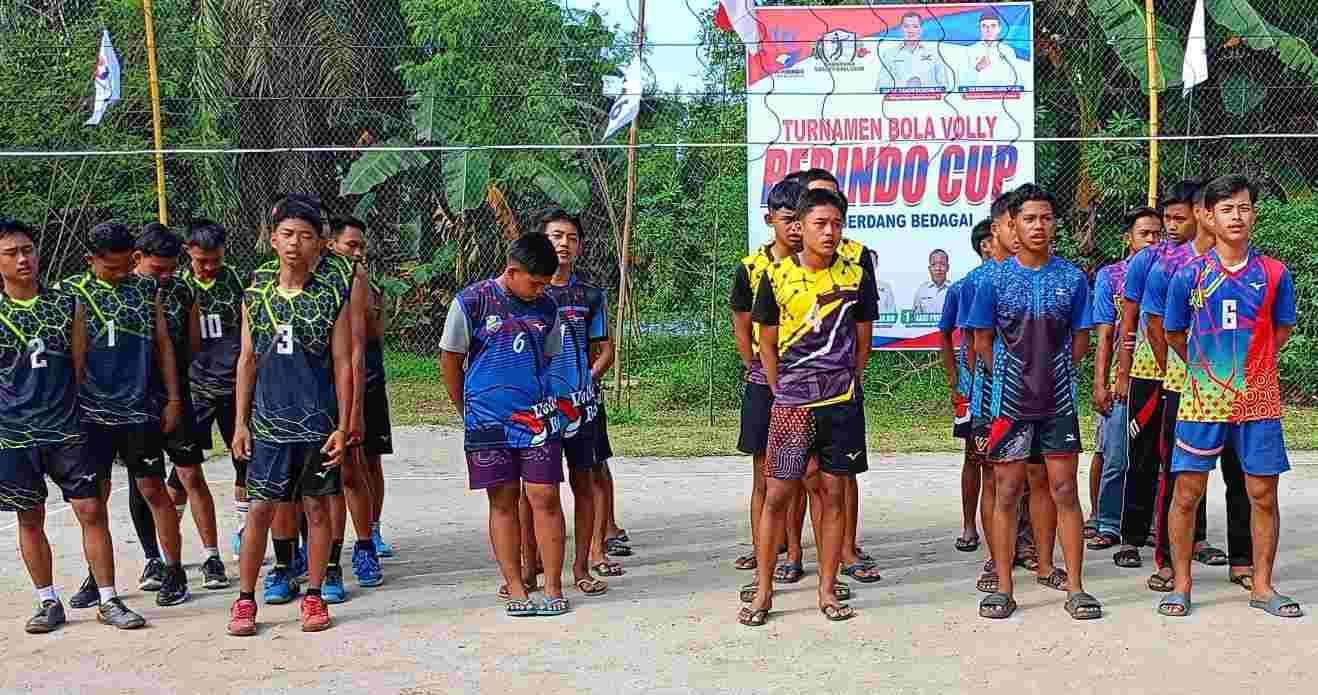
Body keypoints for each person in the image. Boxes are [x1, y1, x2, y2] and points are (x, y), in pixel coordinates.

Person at [1160, 175, 1300, 618]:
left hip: (1258, 398)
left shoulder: (1274, 273)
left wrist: (1250, 367)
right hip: (1202, 398)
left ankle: (1262, 586)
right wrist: (1208, 368)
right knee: (1187, 491)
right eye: (1226, 209)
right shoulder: (1189, 274)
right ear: (1207, 216)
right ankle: (1181, 585)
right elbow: (1173, 333)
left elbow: (1282, 330)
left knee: (1262, 492)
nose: (1236, 217)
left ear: (1253, 214)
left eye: (1243, 208)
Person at [0, 219, 145, 632]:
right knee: (30, 517)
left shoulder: (67, 303)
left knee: (91, 509)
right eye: (11, 253)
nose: (23, 258)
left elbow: (79, 365)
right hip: (14, 433)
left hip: (65, 426)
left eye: (27, 249)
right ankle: (47, 602)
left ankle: (108, 599)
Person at [742, 188, 877, 625]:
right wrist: (785, 390)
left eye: (837, 224)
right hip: (792, 406)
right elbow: (765, 342)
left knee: (832, 493)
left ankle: (827, 589)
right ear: (799, 227)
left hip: (841, 404)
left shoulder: (856, 273)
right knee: (778, 493)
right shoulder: (776, 276)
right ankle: (764, 591)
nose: (830, 232)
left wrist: (850, 382)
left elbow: (862, 337)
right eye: (821, 223)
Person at [967, 184, 1101, 620]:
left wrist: (1054, 371)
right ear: (1012, 225)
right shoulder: (993, 280)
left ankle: (1076, 588)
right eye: (1029, 219)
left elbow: (1081, 339)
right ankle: (1004, 588)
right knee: (1007, 490)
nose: (1038, 226)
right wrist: (1012, 376)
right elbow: (982, 342)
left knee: (1064, 489)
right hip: (1008, 405)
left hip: (1058, 401)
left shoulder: (1073, 279)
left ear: (1054, 223)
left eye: (1045, 218)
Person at [226, 195, 353, 635]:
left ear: (320, 243)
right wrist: (240, 422)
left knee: (318, 509)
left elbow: (342, 362)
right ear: (273, 240)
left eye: (304, 235)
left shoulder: (330, 295)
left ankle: (314, 595)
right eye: (286, 235)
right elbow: (246, 360)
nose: (295, 243)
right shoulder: (255, 292)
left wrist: (343, 424)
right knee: (259, 510)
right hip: (267, 424)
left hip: (316, 425)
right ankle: (245, 601)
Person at [439, 232, 569, 618]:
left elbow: (550, 359)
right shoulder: (471, 302)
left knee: (545, 496)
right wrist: (466, 409)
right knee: (503, 500)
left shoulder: (548, 308)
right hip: (486, 421)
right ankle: (515, 587)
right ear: (512, 271)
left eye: (546, 283)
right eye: (535, 282)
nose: (541, 290)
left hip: (536, 418)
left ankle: (553, 586)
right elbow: (450, 361)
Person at [61, 222, 188, 610]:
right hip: (92, 415)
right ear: (90, 260)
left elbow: (164, 345)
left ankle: (174, 570)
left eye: (123, 266)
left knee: (152, 490)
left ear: (134, 258)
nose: (118, 274)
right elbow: (73, 358)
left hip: (139, 410)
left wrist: (173, 399)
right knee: (93, 499)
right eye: (109, 267)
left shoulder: (146, 290)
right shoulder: (74, 293)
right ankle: (97, 576)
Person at [1144, 182, 1253, 593]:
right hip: (1185, 387)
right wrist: (1181, 370)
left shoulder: (1249, 266)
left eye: (1181, 216)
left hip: (1241, 391)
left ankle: (1242, 560)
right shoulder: (1170, 267)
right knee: (1180, 479)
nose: (1175, 225)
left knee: (1241, 474)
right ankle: (1172, 562)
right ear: (1208, 214)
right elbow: (1158, 325)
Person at [784, 168, 881, 585]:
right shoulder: (779, 264)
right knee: (793, 475)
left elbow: (863, 334)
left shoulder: (857, 259)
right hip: (793, 388)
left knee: (841, 477)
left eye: (833, 205)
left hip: (841, 388)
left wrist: (849, 377)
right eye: (816, 204)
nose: (827, 224)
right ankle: (790, 552)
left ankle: (846, 549)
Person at [1114, 180, 1211, 571]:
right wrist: (1122, 372)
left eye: (1178, 218)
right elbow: (1133, 320)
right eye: (1166, 218)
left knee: (1189, 461)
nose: (1170, 226)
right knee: (1142, 456)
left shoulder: (1211, 259)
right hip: (1148, 372)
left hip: (1191, 376)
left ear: (1200, 216)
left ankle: (1194, 538)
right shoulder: (1148, 260)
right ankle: (1132, 537)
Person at [128, 224, 228, 591]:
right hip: (133, 403)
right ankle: (153, 559)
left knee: (190, 475)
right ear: (137, 258)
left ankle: (211, 555)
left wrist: (175, 388)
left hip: (177, 396)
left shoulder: (182, 290)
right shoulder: (124, 293)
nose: (168, 275)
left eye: (172, 267)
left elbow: (195, 342)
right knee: (143, 483)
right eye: (160, 269)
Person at [959, 191, 1040, 594]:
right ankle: (997, 556)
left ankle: (1034, 550)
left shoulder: (1050, 275)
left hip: (1042, 395)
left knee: (1039, 478)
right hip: (995, 397)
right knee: (997, 479)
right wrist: (998, 385)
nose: (1025, 229)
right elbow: (975, 343)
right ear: (999, 230)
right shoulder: (980, 283)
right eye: (1015, 222)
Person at [537, 209, 614, 598]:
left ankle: (582, 566)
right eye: (555, 236)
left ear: (580, 245)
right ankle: (530, 566)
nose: (563, 243)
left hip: (581, 406)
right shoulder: (528, 292)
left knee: (586, 482)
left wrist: (585, 381)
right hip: (538, 408)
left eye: (571, 237)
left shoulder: (591, 295)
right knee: (536, 490)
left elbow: (604, 350)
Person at [731, 178, 805, 573]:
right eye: (787, 219)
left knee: (799, 475)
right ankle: (764, 547)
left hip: (806, 382)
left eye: (800, 219)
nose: (794, 228)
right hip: (764, 381)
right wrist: (755, 367)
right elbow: (742, 327)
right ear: (770, 219)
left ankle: (794, 553)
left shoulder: (816, 269)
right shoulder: (751, 268)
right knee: (763, 471)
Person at [1088, 207, 1161, 551]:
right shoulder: (1110, 277)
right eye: (1144, 233)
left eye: (1157, 233)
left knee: (1153, 456)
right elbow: (1104, 334)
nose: (1152, 240)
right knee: (1116, 454)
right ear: (1128, 237)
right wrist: (1101, 382)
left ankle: (1147, 524)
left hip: (1160, 377)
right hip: (1123, 379)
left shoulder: (1170, 271)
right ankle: (1107, 522)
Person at [325, 216, 386, 601]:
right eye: (352, 245)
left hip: (354, 383)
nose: (358, 253)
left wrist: (355, 409)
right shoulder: (279, 282)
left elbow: (361, 344)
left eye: (362, 246)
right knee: (313, 480)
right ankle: (314, 558)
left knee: (354, 466)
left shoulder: (356, 279)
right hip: (308, 390)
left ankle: (365, 545)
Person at [181, 220, 249, 560]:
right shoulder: (178, 286)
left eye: (215, 261)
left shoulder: (235, 281)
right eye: (201, 261)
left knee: (244, 462)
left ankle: (243, 531)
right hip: (194, 389)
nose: (208, 267)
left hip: (234, 386)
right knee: (184, 467)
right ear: (187, 252)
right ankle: (170, 548)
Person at [940, 222, 992, 555]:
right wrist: (956, 380)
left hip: (1009, 383)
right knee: (974, 456)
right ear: (986, 244)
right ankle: (969, 525)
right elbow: (947, 334)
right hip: (974, 386)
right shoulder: (964, 287)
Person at [878, 11, 948, 91]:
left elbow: (944, 86)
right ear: (901, 29)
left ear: (921, 30)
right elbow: (881, 86)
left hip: (929, 101)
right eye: (906, 26)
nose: (910, 30)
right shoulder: (889, 54)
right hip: (898, 102)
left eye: (915, 26)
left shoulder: (935, 54)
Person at [959, 11, 1025, 87]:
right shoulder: (970, 50)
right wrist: (977, 68)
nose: (988, 29)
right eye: (984, 26)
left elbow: (1016, 79)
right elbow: (962, 81)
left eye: (993, 26)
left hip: (1002, 94)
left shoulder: (1008, 51)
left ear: (999, 29)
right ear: (979, 28)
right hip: (977, 95)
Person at [912, 249, 951, 314]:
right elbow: (914, 319)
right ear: (929, 268)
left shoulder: (955, 290)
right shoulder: (921, 291)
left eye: (942, 264)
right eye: (934, 265)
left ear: (947, 267)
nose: (938, 268)